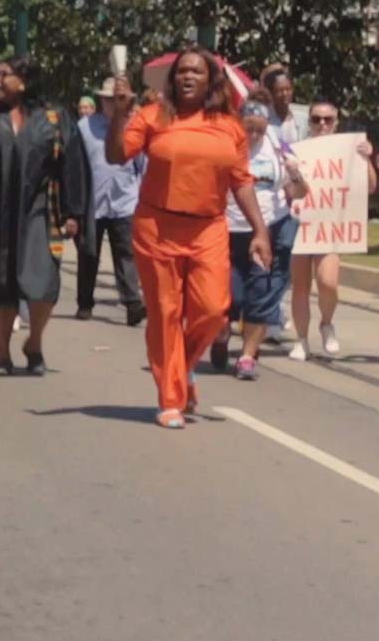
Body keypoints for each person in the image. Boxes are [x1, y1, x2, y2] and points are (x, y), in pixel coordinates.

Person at [107, 48, 271, 429]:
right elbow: (117, 155)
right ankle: (171, 398)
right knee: (165, 314)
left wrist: (260, 230)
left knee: (214, 311)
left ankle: (182, 370)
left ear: (211, 80)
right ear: (173, 78)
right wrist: (119, 115)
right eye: (182, 71)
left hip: (208, 229)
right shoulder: (153, 116)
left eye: (197, 71)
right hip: (157, 228)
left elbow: (242, 182)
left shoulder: (230, 126)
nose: (188, 77)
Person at [0, 57, 86, 376]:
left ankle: (34, 343)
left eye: (5, 74)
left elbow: (72, 164)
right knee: (1, 282)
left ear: (23, 80)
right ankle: (2, 354)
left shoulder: (53, 116)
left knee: (44, 282)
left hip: (40, 210)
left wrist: (74, 212)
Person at [216, 101, 309, 380]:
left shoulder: (278, 148)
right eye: (249, 129)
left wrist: (294, 171)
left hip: (268, 231)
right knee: (229, 297)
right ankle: (220, 336)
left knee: (261, 297)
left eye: (260, 130)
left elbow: (301, 192)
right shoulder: (224, 147)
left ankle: (247, 357)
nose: (254, 136)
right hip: (230, 231)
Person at [287, 98, 379, 361]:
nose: (322, 124)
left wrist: (366, 159)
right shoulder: (298, 150)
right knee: (300, 287)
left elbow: (371, 186)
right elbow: (286, 189)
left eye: (327, 119)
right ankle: (301, 340)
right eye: (316, 119)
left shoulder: (349, 148)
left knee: (328, 282)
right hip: (302, 224)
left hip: (330, 226)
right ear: (309, 122)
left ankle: (326, 322)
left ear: (336, 122)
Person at [75, 77, 147, 327]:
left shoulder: (134, 126)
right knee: (88, 252)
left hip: (124, 201)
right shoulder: (85, 127)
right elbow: (77, 163)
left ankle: (132, 304)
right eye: (107, 100)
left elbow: (142, 165)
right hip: (93, 201)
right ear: (101, 101)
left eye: (116, 100)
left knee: (126, 254)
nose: (111, 104)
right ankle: (85, 302)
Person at [261, 65, 305, 146]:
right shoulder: (265, 121)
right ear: (271, 93)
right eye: (279, 90)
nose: (285, 94)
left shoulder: (303, 119)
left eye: (288, 89)